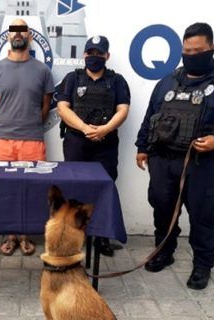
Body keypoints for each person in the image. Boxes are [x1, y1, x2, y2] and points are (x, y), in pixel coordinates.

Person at [135, 23, 214, 289]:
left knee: (204, 215)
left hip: (203, 164)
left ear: (212, 48)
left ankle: (202, 265)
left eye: (198, 50)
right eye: (187, 50)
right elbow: (150, 115)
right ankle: (163, 252)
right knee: (163, 209)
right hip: (163, 160)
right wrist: (142, 147)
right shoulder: (167, 81)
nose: (191, 55)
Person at [57, 35, 130, 257]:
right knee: (74, 188)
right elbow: (62, 108)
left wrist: (104, 129)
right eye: (91, 53)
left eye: (99, 53)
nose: (94, 57)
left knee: (104, 189)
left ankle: (101, 238)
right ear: (84, 54)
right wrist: (85, 128)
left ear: (107, 56)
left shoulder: (117, 81)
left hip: (105, 144)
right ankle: (73, 236)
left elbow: (123, 110)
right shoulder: (72, 79)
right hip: (77, 142)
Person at [0, 18, 55, 256]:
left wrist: (32, 122)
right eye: (13, 30)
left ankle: (25, 235)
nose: (17, 34)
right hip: (3, 139)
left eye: (22, 29)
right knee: (5, 188)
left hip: (33, 139)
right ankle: (10, 234)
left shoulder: (42, 71)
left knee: (32, 188)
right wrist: (6, 119)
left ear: (30, 36)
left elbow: (46, 105)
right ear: (7, 36)